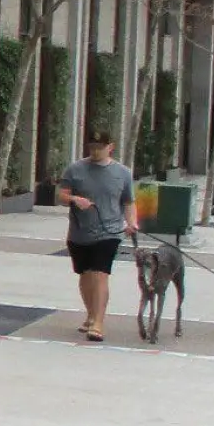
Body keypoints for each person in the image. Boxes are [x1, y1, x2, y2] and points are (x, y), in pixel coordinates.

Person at [57, 130, 137, 342]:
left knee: (101, 274)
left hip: (109, 232)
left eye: (99, 147)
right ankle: (91, 314)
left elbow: (128, 201)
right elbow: (61, 196)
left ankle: (98, 323)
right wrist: (75, 199)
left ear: (110, 146)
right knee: (85, 275)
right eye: (91, 146)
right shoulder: (75, 169)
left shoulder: (123, 173)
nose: (95, 151)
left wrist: (131, 222)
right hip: (80, 232)